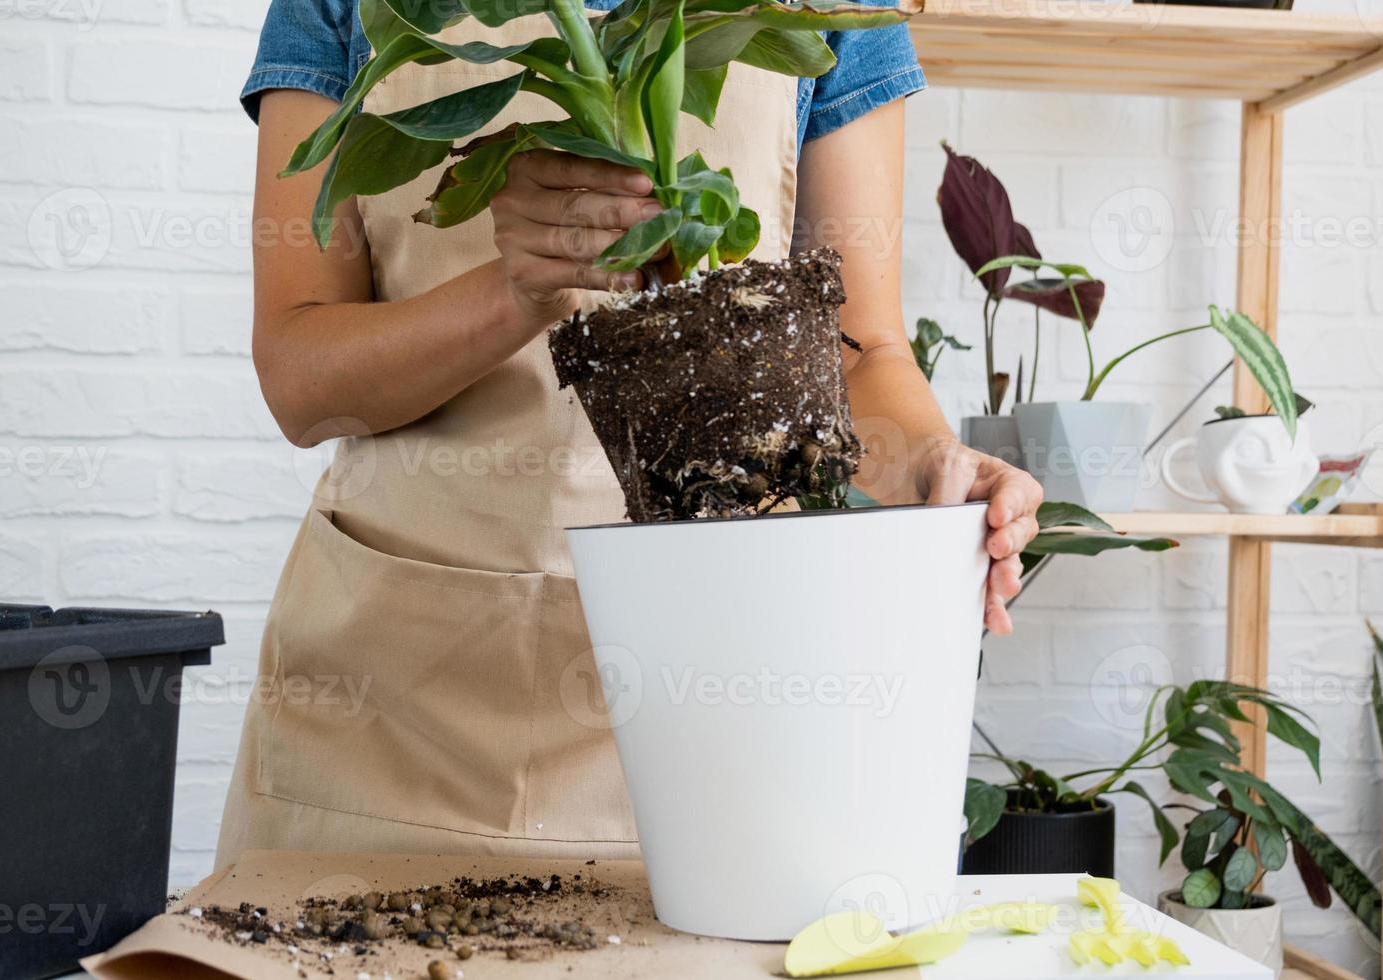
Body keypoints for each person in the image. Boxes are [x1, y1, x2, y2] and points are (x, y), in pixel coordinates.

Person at [215, 0, 1042, 868]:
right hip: (388, 703)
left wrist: (931, 467)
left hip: (710, 686)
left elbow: (859, 351)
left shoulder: (839, 10)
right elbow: (301, 381)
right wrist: (515, 292)